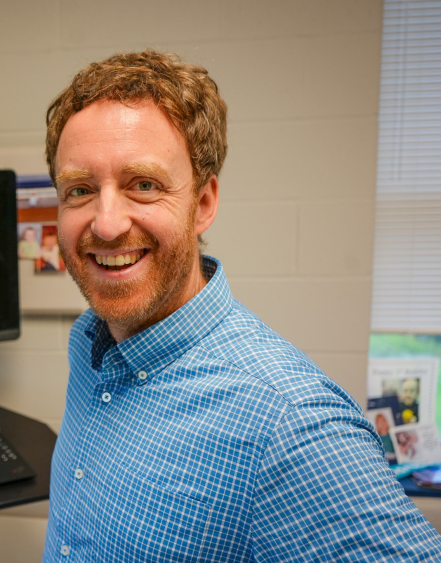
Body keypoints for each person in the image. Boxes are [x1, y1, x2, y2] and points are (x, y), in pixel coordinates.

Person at [42, 50, 441, 562]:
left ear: (203, 203)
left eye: (144, 185)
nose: (107, 223)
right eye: (80, 190)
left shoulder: (291, 425)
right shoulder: (90, 340)